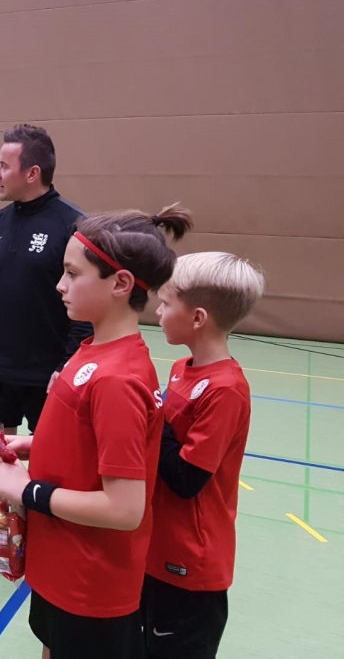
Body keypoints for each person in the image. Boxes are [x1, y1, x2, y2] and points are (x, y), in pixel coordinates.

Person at [0, 204, 193, 659]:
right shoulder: (93, 349)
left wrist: (27, 490)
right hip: (61, 569)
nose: (59, 285)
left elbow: (124, 508)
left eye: (72, 273)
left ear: (120, 284)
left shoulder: (119, 378)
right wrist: (37, 445)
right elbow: (94, 442)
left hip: (90, 586)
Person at [0, 123, 92, 584]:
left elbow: (84, 308)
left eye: (3, 165)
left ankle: (47, 542)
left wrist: (66, 366)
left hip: (48, 375)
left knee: (52, 460)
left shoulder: (73, 226)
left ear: (32, 173)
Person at [142, 252, 265, 659]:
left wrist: (148, 414)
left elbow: (187, 477)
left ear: (197, 318)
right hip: (156, 546)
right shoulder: (182, 367)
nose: (158, 312)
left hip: (190, 564)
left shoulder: (225, 390)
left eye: (165, 303)